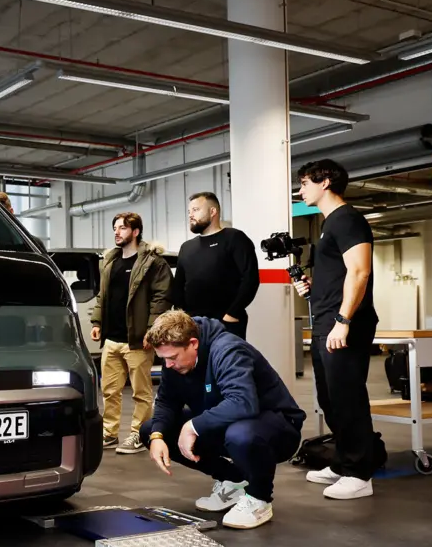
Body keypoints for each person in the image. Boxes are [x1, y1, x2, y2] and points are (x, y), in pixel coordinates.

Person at [145, 310, 306, 529]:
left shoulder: (228, 350)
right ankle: (234, 480)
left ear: (193, 344)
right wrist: (156, 436)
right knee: (150, 430)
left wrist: (193, 426)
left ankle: (259, 498)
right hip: (229, 422)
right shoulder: (173, 361)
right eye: (163, 359)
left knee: (240, 435)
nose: (168, 365)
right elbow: (166, 402)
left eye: (172, 358)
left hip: (278, 427)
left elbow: (243, 402)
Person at [293, 159, 381, 500]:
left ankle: (360, 474)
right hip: (326, 321)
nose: (301, 190)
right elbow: (341, 276)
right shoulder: (329, 224)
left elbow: (360, 272)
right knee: (330, 398)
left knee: (348, 397)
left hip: (344, 324)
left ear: (325, 181)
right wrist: (313, 287)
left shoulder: (348, 220)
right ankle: (343, 461)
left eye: (305, 183)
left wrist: (343, 321)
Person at [89, 212, 173, 455]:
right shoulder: (110, 261)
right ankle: (109, 433)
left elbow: (161, 299)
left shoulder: (153, 263)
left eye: (123, 228)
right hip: (112, 339)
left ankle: (139, 433)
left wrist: (151, 330)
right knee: (109, 391)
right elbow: (102, 296)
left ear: (136, 232)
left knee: (141, 392)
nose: (117, 232)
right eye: (115, 228)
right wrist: (97, 321)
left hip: (137, 340)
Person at [171, 192, 259, 340]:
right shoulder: (187, 247)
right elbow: (178, 286)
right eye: (189, 211)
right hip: (192, 325)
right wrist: (182, 317)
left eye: (196, 210)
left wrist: (233, 313)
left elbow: (250, 278)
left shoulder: (234, 238)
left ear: (213, 211)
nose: (191, 215)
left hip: (227, 323)